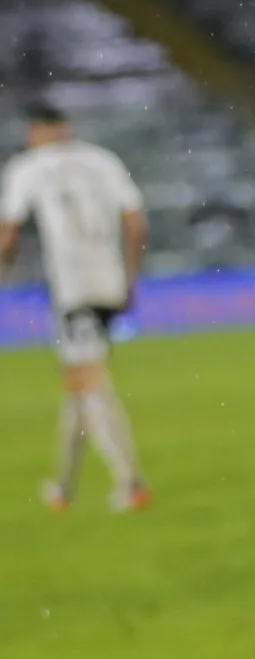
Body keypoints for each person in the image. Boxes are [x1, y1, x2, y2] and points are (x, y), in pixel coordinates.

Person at [0, 102, 152, 512]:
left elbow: (7, 235)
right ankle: (64, 487)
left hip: (72, 289)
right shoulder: (103, 160)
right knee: (80, 388)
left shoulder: (28, 167)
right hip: (110, 283)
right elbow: (136, 222)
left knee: (89, 384)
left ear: (38, 131)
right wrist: (129, 277)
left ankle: (131, 481)